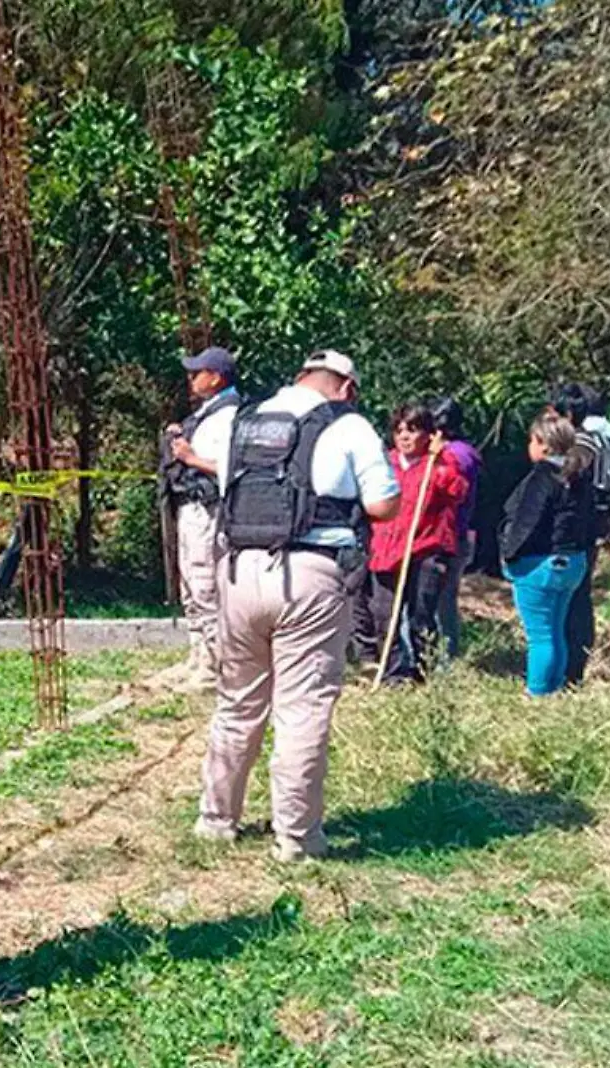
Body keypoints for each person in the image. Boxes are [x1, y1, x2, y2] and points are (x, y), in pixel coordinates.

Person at [198, 349, 401, 861]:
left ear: (300, 377)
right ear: (347, 388)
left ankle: (216, 819)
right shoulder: (350, 427)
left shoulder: (245, 422)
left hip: (239, 570)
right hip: (310, 576)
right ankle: (296, 837)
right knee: (302, 707)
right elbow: (382, 504)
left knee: (238, 699)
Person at [364, 404, 467, 683]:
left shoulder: (438, 463)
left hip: (425, 549)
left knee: (421, 614)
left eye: (412, 430)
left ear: (428, 434)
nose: (405, 437)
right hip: (386, 549)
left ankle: (425, 670)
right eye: (399, 431)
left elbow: (458, 491)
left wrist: (440, 460)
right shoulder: (385, 462)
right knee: (385, 614)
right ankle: (394, 672)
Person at [499, 412, 596, 697]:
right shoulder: (578, 475)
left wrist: (509, 555)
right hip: (572, 563)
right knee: (555, 631)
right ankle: (555, 688)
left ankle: (537, 692)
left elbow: (527, 521)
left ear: (542, 444)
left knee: (540, 637)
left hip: (539, 563)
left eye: (532, 440)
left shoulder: (543, 476)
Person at [161, 346, 241, 683]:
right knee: (190, 585)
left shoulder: (229, 417)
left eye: (198, 373)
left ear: (217, 377)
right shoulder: (207, 414)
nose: (191, 378)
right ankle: (198, 654)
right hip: (190, 508)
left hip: (208, 510)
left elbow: (231, 468)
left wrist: (192, 458)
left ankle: (215, 665)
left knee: (205, 582)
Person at [548, 383, 610, 686]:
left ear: (568, 414)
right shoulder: (591, 441)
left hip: (578, 536)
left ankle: (572, 671)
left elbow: (566, 480)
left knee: (575, 602)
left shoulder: (581, 447)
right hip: (584, 532)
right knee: (574, 600)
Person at [429, 396, 482, 659]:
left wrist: (435, 458)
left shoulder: (455, 456)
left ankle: (445, 661)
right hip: (455, 535)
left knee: (442, 602)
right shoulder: (464, 452)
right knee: (442, 600)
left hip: (449, 537)